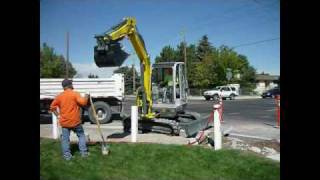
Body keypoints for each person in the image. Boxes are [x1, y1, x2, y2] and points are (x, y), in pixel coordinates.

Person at [50, 79, 89, 160]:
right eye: (71, 83)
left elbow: (52, 107)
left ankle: (67, 156)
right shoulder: (75, 94)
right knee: (81, 135)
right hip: (75, 121)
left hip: (64, 122)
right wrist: (87, 95)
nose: (72, 84)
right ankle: (84, 153)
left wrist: (58, 116)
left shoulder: (59, 96)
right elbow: (83, 103)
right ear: (69, 85)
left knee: (65, 139)